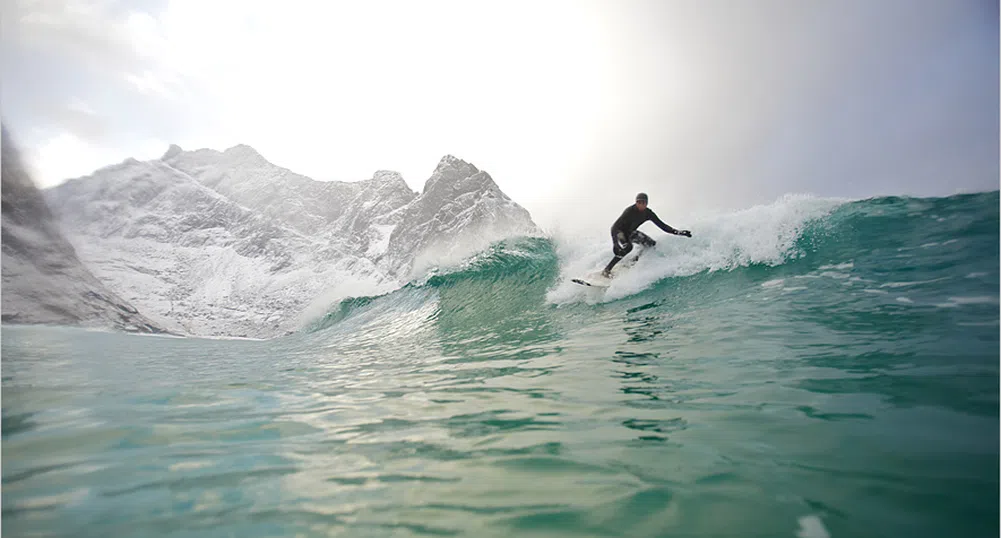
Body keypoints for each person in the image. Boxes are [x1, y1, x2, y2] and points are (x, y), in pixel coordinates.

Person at [602, 192, 691, 277]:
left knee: (651, 244)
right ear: (636, 202)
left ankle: (632, 261)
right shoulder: (629, 211)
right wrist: (615, 244)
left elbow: (663, 226)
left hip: (631, 232)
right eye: (639, 202)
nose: (641, 204)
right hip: (619, 232)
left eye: (643, 202)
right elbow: (614, 227)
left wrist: (679, 232)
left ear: (647, 203)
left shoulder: (648, 213)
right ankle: (607, 270)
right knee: (628, 247)